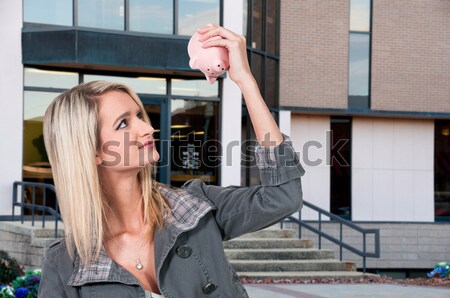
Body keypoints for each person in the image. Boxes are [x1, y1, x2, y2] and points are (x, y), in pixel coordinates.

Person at [38, 25, 305, 298]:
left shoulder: (194, 206)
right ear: (92, 152)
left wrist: (245, 81)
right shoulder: (64, 265)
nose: (147, 128)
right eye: (123, 123)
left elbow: (284, 197)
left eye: (139, 116)